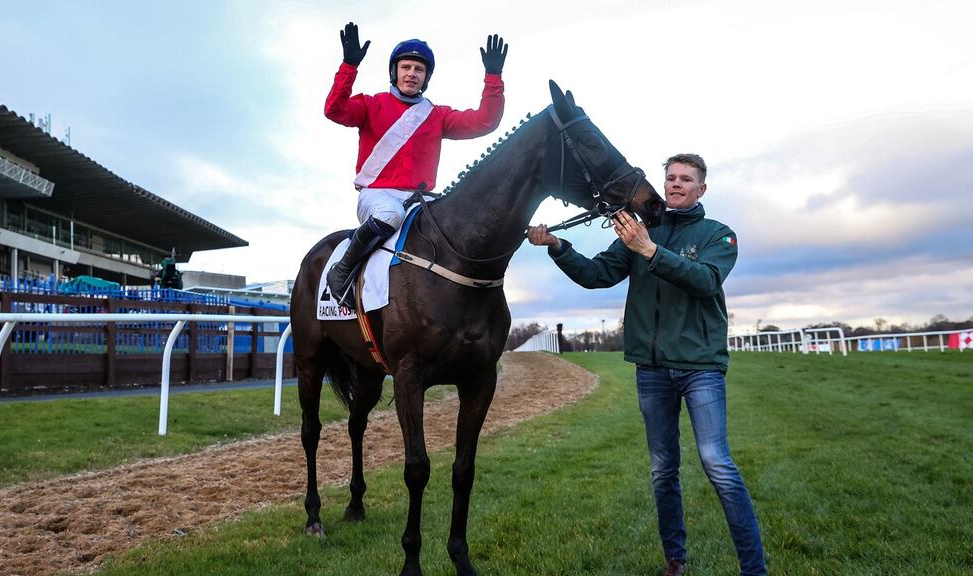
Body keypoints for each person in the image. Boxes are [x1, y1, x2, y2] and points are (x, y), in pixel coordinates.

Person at [528, 154, 766, 576]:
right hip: (652, 370)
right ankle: (675, 560)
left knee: (717, 463)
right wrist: (557, 247)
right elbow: (597, 273)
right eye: (670, 177)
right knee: (662, 470)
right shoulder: (640, 232)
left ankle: (754, 569)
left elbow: (705, 281)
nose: (675, 184)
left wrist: (650, 249)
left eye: (685, 179)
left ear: (701, 189)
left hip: (700, 368)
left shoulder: (718, 235)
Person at [324, 22, 508, 309]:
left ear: (426, 77)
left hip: (419, 201)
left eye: (418, 69)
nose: (411, 73)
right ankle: (343, 270)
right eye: (406, 67)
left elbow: (485, 121)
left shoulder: (437, 115)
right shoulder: (372, 105)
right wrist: (349, 65)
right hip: (377, 197)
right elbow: (334, 110)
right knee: (390, 214)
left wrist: (493, 77)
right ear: (395, 71)